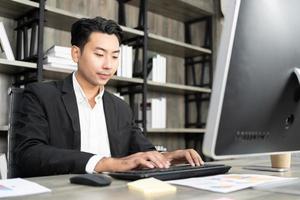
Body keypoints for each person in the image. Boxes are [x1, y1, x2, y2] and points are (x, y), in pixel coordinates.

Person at [14, 17, 204, 177]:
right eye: (99, 54)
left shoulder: (120, 107)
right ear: (76, 53)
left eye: (114, 56)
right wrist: (106, 163)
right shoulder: (41, 95)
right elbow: (29, 154)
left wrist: (167, 157)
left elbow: (142, 149)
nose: (108, 65)